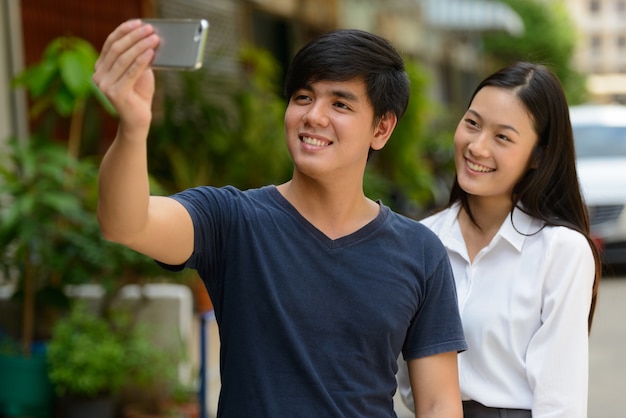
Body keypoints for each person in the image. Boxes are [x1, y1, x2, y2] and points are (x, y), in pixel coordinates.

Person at [93, 20, 468, 417]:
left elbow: (438, 402)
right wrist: (133, 129)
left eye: (340, 104)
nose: (314, 116)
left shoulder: (420, 250)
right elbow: (125, 223)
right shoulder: (232, 220)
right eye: (303, 97)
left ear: (382, 127)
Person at [397, 61, 602, 417]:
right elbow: (404, 375)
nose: (477, 147)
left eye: (502, 137)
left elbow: (560, 400)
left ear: (539, 155)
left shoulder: (560, 251)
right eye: (472, 124)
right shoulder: (421, 240)